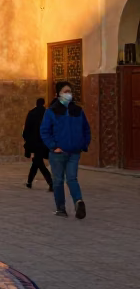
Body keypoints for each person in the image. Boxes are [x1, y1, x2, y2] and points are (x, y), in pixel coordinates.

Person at [40, 80, 91, 219]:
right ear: (58, 94)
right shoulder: (52, 112)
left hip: (73, 152)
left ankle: (73, 204)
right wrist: (53, 146)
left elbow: (86, 129)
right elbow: (44, 131)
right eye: (65, 92)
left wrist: (83, 145)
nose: (68, 94)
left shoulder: (78, 111)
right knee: (65, 180)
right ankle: (67, 205)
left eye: (70, 92)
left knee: (66, 179)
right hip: (58, 152)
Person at [22, 98, 53, 190]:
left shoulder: (32, 113)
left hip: (34, 142)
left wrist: (27, 140)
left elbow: (27, 129)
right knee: (37, 162)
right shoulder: (47, 114)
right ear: (43, 103)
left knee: (38, 162)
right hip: (44, 142)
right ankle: (29, 182)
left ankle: (50, 182)